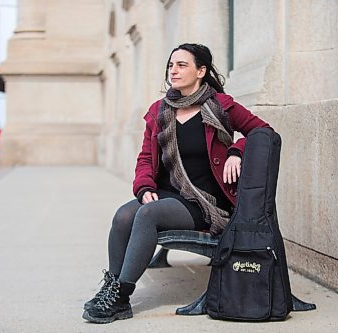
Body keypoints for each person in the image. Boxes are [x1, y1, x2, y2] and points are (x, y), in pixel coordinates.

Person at [82, 43, 271, 324]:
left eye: (182, 65)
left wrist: (236, 150)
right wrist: (145, 187)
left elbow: (262, 131)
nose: (174, 70)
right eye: (171, 65)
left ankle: (121, 296)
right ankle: (112, 286)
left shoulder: (222, 106)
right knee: (123, 216)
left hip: (203, 201)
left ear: (201, 71)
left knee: (148, 214)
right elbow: (145, 157)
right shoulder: (160, 110)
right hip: (167, 194)